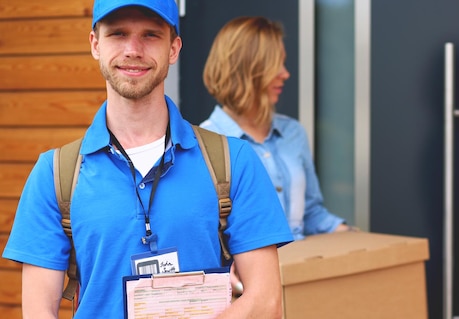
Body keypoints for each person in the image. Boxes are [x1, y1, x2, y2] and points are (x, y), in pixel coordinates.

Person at [2, 1, 293, 318]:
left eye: (151, 35)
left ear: (173, 48)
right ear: (96, 44)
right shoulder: (55, 175)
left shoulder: (234, 162)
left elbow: (267, 304)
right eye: (118, 33)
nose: (133, 49)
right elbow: (38, 312)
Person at [200, 16, 353, 243]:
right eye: (276, 64)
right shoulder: (205, 144)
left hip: (304, 269)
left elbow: (310, 214)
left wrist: (354, 237)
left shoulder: (293, 133)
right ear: (247, 69)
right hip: (250, 275)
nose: (285, 73)